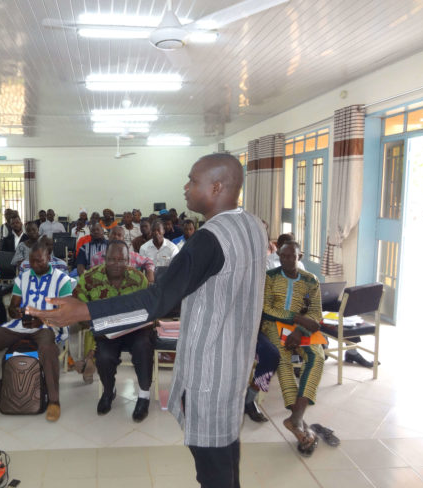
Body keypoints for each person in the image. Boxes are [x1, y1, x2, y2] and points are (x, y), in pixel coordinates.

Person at [28, 153, 266, 488]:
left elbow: (156, 299)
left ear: (216, 187)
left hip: (211, 369)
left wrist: (84, 311)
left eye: (192, 181)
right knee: (226, 455)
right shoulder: (252, 225)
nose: (185, 187)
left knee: (213, 469)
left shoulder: (209, 239)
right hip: (236, 361)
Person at [0, 242, 73, 422]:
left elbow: (65, 312)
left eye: (40, 261)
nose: (35, 265)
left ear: (48, 258)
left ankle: (54, 401)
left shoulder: (62, 280)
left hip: (48, 325)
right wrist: (14, 312)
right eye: (32, 261)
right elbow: (13, 305)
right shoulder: (22, 278)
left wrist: (41, 318)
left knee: (48, 349)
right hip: (21, 324)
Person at [74, 240, 155, 421]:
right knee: (104, 356)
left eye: (121, 260)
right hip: (107, 331)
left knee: (143, 346)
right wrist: (91, 323)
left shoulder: (138, 279)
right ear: (105, 258)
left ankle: (144, 395)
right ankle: (109, 391)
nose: (116, 264)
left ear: (128, 261)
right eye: (112, 259)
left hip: (134, 330)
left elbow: (148, 309)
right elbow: (77, 306)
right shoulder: (89, 279)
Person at [261, 240, 324, 456]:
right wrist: (296, 318)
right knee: (283, 360)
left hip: (302, 328)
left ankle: (296, 418)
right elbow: (266, 309)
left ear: (300, 257)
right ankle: (298, 421)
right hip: (274, 325)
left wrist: (300, 330)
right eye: (283, 256)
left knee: (317, 357)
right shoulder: (270, 277)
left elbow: (315, 313)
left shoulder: (310, 280)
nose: (286, 260)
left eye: (291, 257)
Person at [90, 226, 155, 283]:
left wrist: (150, 273)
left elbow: (148, 261)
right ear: (108, 236)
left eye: (119, 235)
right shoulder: (96, 257)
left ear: (123, 239)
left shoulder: (131, 255)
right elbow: (92, 277)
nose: (116, 237)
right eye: (113, 234)